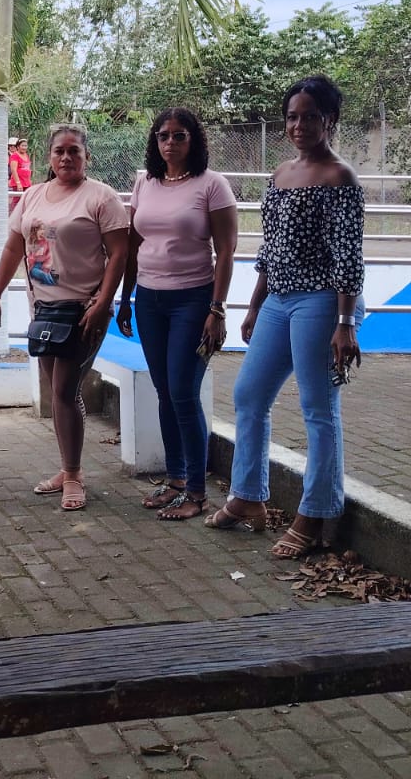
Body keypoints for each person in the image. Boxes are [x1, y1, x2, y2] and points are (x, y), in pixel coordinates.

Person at [206, 76, 364, 557]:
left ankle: (314, 515)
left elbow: (348, 257)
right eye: (292, 116)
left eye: (310, 116)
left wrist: (345, 324)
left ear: (329, 120)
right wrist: (255, 304)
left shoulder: (340, 177)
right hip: (278, 298)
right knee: (249, 394)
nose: (299, 125)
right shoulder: (280, 174)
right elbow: (270, 249)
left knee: (318, 408)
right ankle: (247, 497)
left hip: (323, 301)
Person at [0, 124, 128, 512]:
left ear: (86, 156)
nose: (66, 157)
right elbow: (13, 248)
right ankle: (67, 469)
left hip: (83, 311)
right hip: (44, 310)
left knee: (64, 391)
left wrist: (103, 302)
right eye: (59, 151)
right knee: (60, 392)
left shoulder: (101, 197)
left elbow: (120, 253)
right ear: (49, 157)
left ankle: (74, 475)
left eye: (74, 151)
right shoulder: (33, 195)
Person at [117, 108, 238, 521]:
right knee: (165, 392)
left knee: (184, 393)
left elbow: (226, 251)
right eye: (163, 135)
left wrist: (217, 309)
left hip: (194, 299)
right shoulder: (145, 183)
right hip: (150, 300)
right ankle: (176, 479)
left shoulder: (212, 185)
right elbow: (134, 245)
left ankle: (198, 493)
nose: (170, 142)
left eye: (179, 135)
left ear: (194, 140)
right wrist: (126, 298)